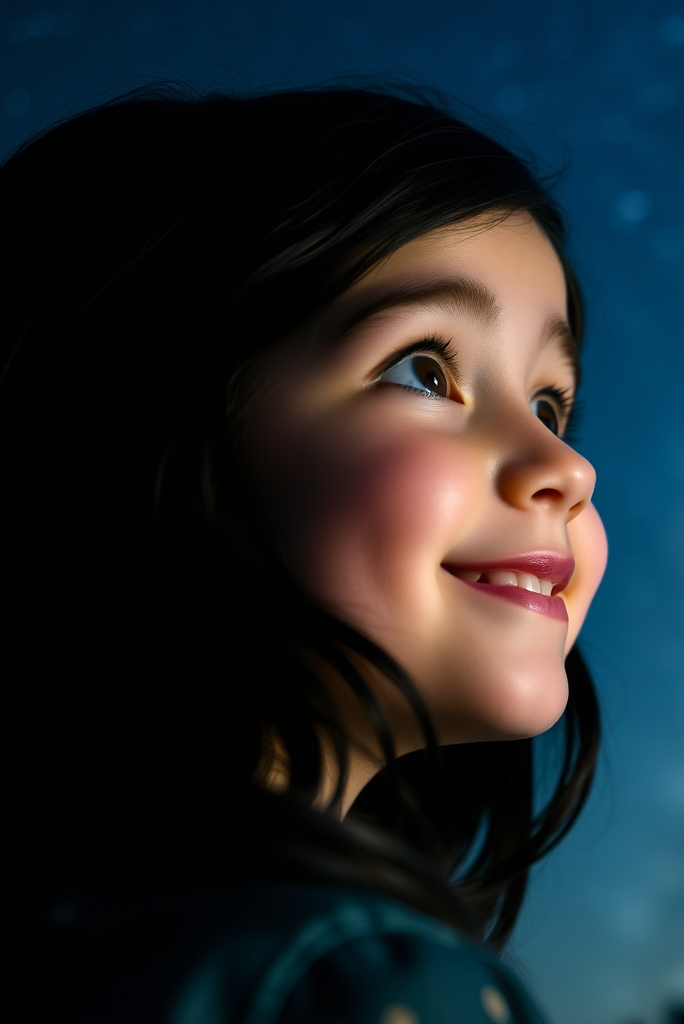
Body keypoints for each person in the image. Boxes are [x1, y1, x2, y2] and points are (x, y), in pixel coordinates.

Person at [0, 84, 608, 1022]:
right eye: (426, 369)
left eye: (548, 404)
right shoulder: (349, 984)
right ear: (144, 426)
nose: (563, 467)